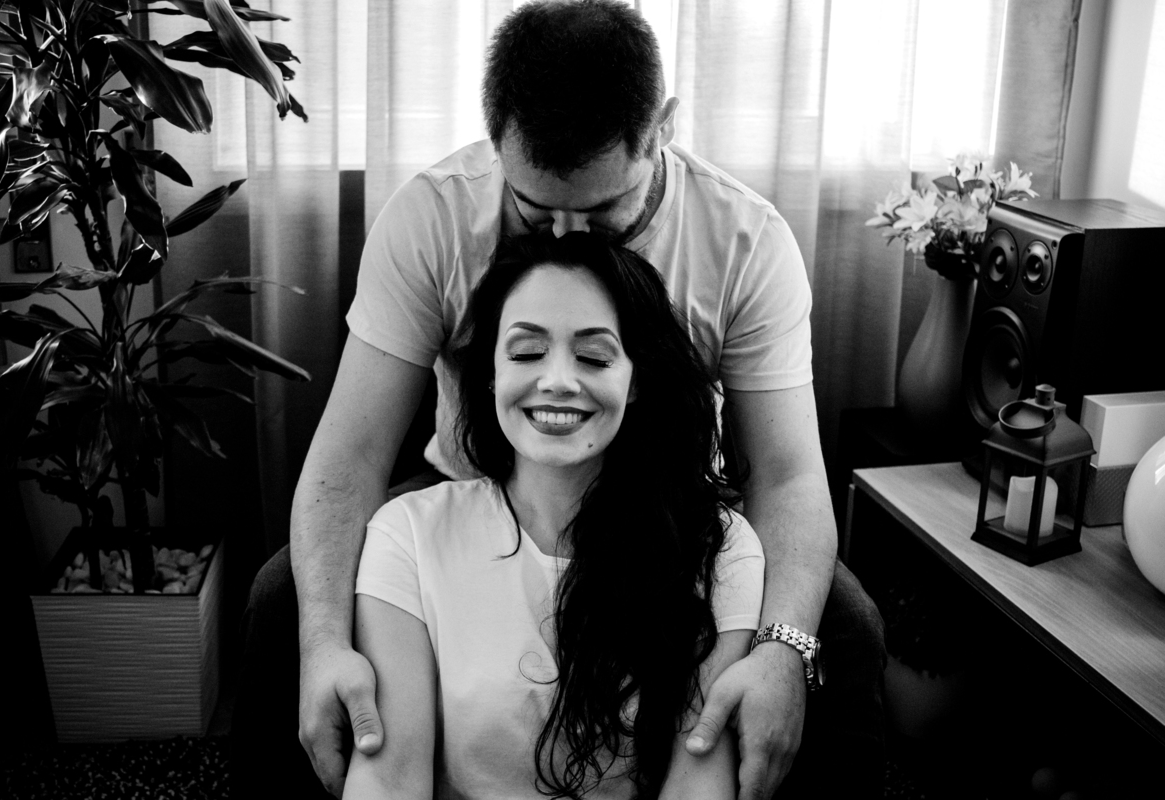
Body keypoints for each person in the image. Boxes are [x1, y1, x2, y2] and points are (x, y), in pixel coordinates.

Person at [231, 2, 885, 798]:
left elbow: (787, 474)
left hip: (668, 504)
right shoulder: (431, 216)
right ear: (497, 141)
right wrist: (325, 643)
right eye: (535, 210)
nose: (567, 239)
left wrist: (783, 649)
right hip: (475, 482)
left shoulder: (749, 240)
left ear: (663, 129)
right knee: (282, 603)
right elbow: (351, 454)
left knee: (844, 628)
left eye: (602, 211)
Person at [346, 231, 764, 799]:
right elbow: (389, 776)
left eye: (594, 357)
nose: (558, 381)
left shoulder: (722, 547)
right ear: (491, 372)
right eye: (526, 353)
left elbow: (699, 780)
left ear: (636, 381)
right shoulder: (408, 535)